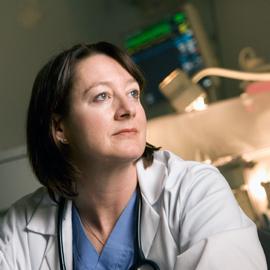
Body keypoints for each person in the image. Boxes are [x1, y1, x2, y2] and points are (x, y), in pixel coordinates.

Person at [0, 41, 267, 270]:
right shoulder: (21, 226)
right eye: (102, 96)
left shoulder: (196, 191)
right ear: (60, 127)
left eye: (133, 93)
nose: (128, 108)